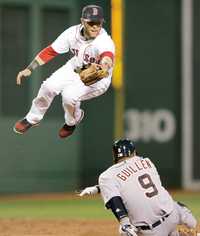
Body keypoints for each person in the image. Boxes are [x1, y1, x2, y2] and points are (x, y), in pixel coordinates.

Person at [13, 5, 115, 138]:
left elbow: (107, 57)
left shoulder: (104, 41)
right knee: (49, 86)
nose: (95, 26)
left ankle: (72, 121)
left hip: (99, 79)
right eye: (91, 23)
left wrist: (104, 67)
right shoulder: (72, 33)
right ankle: (33, 118)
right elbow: (51, 51)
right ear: (83, 21)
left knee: (68, 96)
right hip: (76, 66)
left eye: (98, 23)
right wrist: (30, 68)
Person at [79, 139, 198, 236]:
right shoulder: (146, 162)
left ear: (114, 155)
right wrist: (99, 187)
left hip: (151, 231)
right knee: (178, 208)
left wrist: (125, 223)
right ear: (133, 152)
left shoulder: (107, 176)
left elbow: (116, 201)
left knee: (123, 231)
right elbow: (133, 181)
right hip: (173, 215)